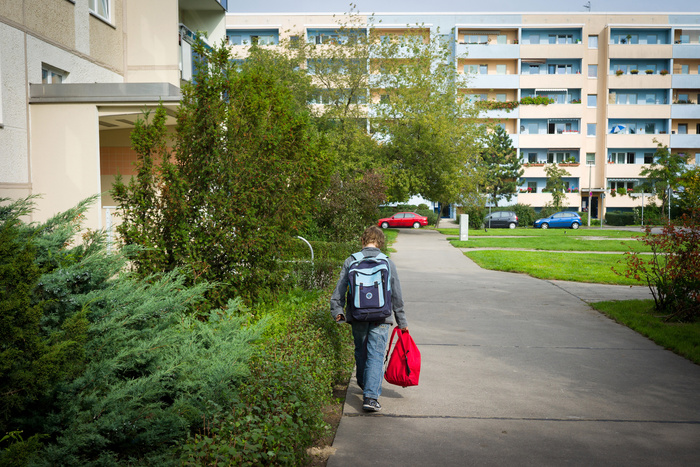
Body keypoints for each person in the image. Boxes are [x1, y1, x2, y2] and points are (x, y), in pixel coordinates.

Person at [330, 225, 409, 412]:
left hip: (357, 315)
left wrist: (338, 311)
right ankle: (371, 397)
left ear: (362, 241)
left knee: (361, 351)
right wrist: (402, 322)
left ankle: (364, 383)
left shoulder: (351, 260)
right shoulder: (387, 262)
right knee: (376, 355)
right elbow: (396, 295)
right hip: (381, 317)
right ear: (381, 242)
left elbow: (339, 290)